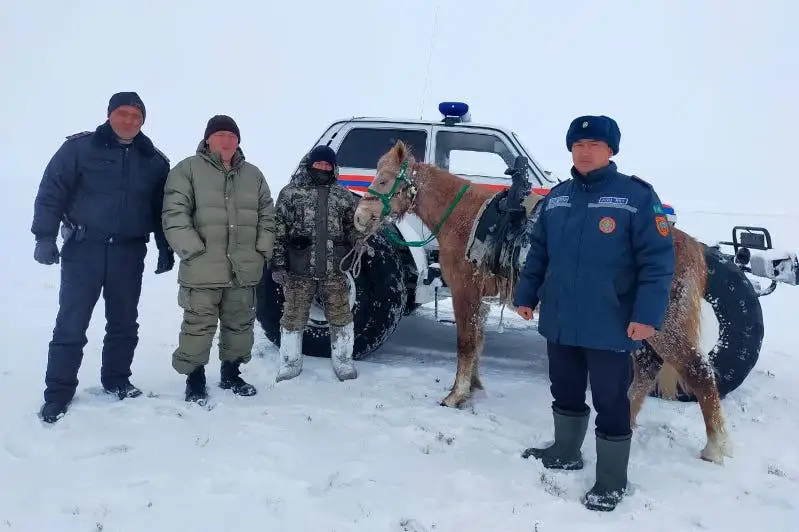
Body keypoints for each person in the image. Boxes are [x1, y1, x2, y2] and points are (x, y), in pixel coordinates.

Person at [513, 115, 675, 511]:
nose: (585, 152)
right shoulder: (557, 198)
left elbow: (657, 261)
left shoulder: (635, 197)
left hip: (610, 321)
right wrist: (526, 294)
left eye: (594, 145)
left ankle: (611, 480)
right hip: (560, 319)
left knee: (610, 400)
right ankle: (565, 452)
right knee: (564, 388)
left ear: (610, 150)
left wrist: (647, 315)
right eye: (578, 145)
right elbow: (539, 253)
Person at [31, 91, 175, 423]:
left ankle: (116, 379)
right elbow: (52, 191)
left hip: (129, 250)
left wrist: (165, 246)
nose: (129, 121)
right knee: (71, 323)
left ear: (143, 121)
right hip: (84, 248)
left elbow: (161, 209)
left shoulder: (154, 160)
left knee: (124, 321)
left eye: (136, 116)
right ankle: (58, 392)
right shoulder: (79, 149)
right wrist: (44, 237)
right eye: (123, 114)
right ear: (110, 115)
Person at [162, 115, 276, 404]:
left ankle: (231, 374)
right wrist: (193, 251)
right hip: (202, 267)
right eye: (220, 135)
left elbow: (268, 215)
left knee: (240, 323)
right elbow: (174, 214)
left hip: (243, 268)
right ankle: (195, 378)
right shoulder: (187, 169)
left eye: (232, 136)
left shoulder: (253, 175)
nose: (226, 141)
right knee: (198, 325)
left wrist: (261, 250)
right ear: (208, 139)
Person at [270, 145, 362, 382]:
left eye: (327, 164)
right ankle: (290, 363)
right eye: (319, 163)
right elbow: (277, 230)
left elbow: (351, 226)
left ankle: (343, 361)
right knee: (293, 316)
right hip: (299, 269)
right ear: (310, 164)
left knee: (341, 316)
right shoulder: (291, 193)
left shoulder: (343, 195)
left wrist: (358, 240)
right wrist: (278, 264)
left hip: (334, 269)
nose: (323, 168)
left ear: (333, 167)